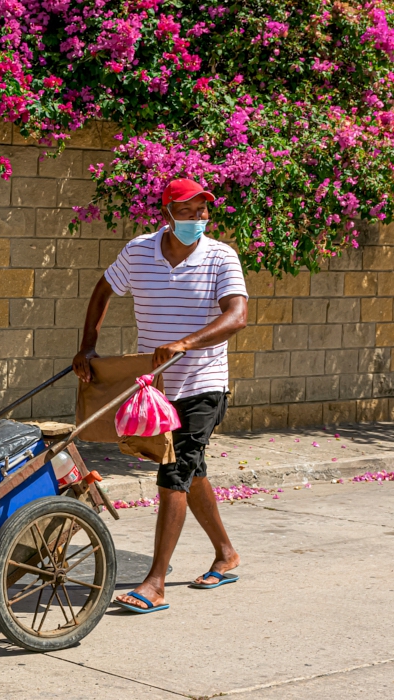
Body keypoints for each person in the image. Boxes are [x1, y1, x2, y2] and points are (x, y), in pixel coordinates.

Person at [72, 178, 249, 614]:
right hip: (157, 388)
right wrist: (87, 346)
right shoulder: (138, 252)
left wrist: (187, 343)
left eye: (204, 210)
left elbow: (238, 315)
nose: (198, 219)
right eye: (188, 211)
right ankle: (226, 554)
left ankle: (155, 583)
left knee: (174, 472)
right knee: (192, 469)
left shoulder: (220, 256)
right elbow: (103, 289)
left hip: (203, 383)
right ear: (167, 213)